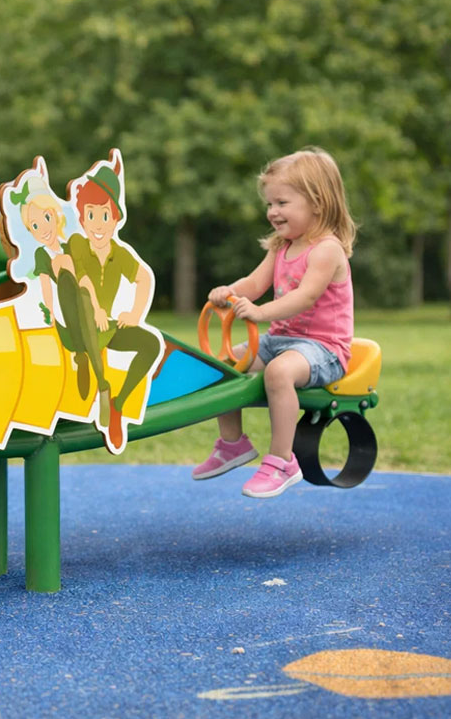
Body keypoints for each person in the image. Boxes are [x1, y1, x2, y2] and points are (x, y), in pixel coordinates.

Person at [193, 147, 357, 498]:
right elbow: (255, 284)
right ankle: (233, 443)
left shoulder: (327, 249)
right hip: (280, 341)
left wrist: (261, 312)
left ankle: (283, 460)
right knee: (224, 363)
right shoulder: (281, 246)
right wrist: (230, 291)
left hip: (324, 349)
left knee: (279, 373)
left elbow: (306, 297)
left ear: (317, 202)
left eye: (282, 202)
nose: (272, 212)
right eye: (270, 204)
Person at [62, 163, 162, 454]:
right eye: (91, 215)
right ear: (82, 219)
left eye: (104, 215)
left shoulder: (120, 254)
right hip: (77, 323)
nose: (98, 224)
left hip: (103, 327)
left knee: (151, 344)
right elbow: (82, 281)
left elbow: (143, 278)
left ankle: (117, 404)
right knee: (81, 297)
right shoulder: (78, 243)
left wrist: (134, 313)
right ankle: (98, 378)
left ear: (115, 218)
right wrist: (94, 308)